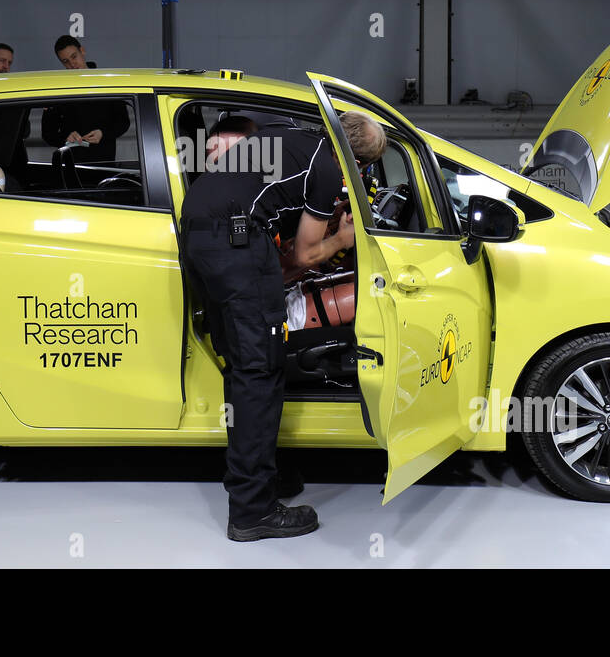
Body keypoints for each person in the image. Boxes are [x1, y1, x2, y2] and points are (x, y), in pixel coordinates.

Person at [180, 109, 386, 541]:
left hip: (199, 237)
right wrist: (343, 240)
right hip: (234, 243)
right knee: (260, 372)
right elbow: (308, 257)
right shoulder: (327, 168)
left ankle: (255, 479)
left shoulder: (289, 133)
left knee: (242, 368)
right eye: (363, 167)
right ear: (357, 163)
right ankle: (252, 511)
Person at [42, 35, 130, 162]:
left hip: (103, 163)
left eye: (74, 56)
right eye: (65, 61)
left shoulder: (108, 83)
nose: (72, 64)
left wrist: (103, 133)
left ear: (82, 51)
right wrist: (65, 138)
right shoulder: (57, 89)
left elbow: (123, 122)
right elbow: (48, 133)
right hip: (70, 165)